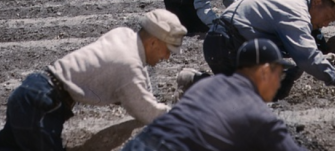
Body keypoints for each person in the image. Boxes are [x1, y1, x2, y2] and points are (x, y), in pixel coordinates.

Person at [0, 9, 187, 151]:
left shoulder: (124, 34)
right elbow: (145, 110)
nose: (167, 57)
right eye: (167, 50)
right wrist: (179, 117)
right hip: (42, 104)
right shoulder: (128, 66)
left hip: (34, 91)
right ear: (153, 42)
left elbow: (137, 75)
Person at [122, 39, 309, 151]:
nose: (280, 82)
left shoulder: (206, 85)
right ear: (264, 72)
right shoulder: (258, 114)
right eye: (280, 74)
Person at [201, 0, 335, 101]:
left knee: (285, 71)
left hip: (227, 41)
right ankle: (197, 85)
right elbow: (307, 57)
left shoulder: (295, 0)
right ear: (317, 2)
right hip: (225, 44)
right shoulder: (297, 13)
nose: (325, 24)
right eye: (328, 17)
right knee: (244, 102)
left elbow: (297, 51)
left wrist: (321, 59)